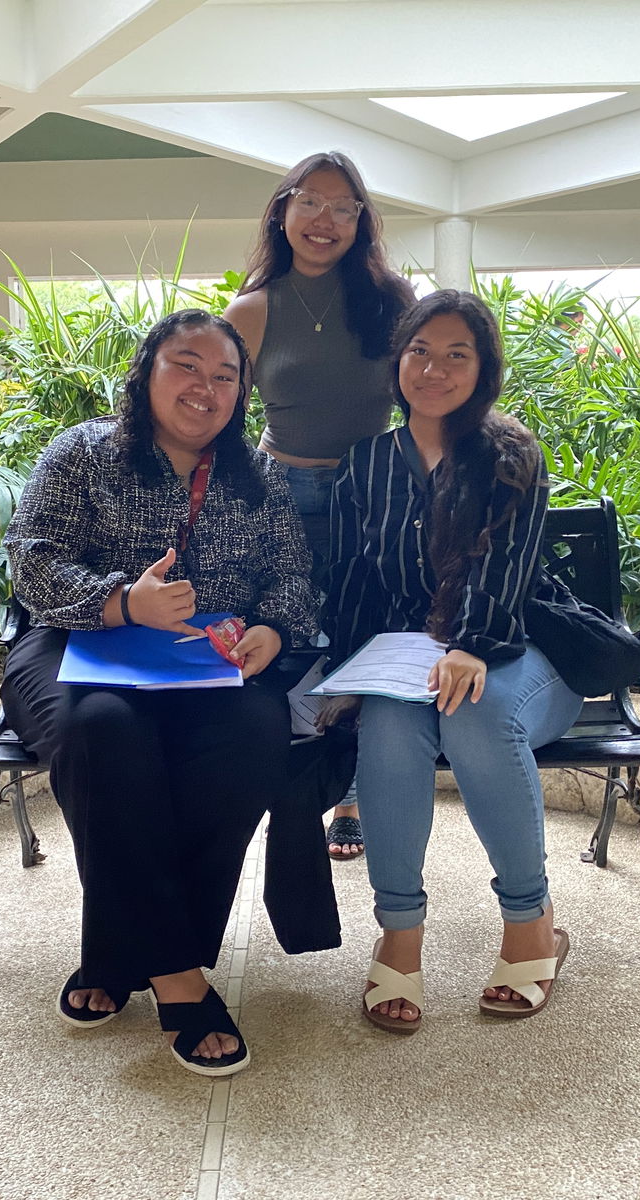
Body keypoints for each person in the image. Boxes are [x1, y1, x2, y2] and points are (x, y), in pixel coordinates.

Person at [0, 309, 316, 1077]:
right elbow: (30, 559)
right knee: (105, 731)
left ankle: (114, 953)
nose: (205, 388)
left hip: (206, 661)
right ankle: (178, 979)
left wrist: (273, 629)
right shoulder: (82, 452)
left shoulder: (257, 473)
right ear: (147, 372)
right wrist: (121, 602)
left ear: (242, 393)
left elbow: (294, 579)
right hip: (79, 644)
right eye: (187, 365)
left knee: (251, 736)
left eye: (225, 375)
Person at [321, 290, 583, 1033]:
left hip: (524, 654)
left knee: (473, 715)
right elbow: (350, 582)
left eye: (456, 354)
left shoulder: (510, 454)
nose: (434, 368)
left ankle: (531, 926)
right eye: (420, 351)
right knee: (392, 727)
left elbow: (508, 575)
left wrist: (471, 646)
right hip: (416, 661)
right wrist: (352, 676)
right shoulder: (366, 464)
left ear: (484, 367)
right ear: (398, 360)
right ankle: (400, 936)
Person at [224, 150, 415, 860]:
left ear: (361, 220)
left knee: (361, 636)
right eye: (312, 202)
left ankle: (353, 795)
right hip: (283, 493)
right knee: (293, 641)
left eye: (344, 207)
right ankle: (296, 783)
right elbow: (220, 418)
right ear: (284, 209)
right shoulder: (251, 308)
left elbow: (424, 390)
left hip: (373, 493)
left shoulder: (391, 299)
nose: (325, 220)